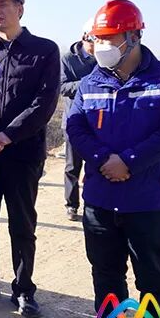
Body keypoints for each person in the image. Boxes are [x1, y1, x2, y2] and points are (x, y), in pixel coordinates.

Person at [67, 0, 160, 318]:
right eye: (98, 38)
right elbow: (76, 126)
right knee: (106, 272)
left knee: (154, 278)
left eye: (110, 37)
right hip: (101, 198)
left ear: (134, 36)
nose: (102, 45)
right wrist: (104, 159)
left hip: (148, 199)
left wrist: (129, 161)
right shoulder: (90, 82)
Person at [0, 0, 60, 318]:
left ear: (20, 8)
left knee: (22, 224)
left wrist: (8, 135)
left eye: (4, 5)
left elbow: (45, 102)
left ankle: (23, 289)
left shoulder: (44, 50)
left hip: (23, 152)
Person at [59, 18, 97, 221]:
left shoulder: (103, 58)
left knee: (97, 165)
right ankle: (71, 205)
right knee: (72, 166)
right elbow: (61, 87)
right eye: (95, 41)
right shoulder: (67, 59)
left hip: (99, 122)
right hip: (74, 121)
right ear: (84, 37)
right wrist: (86, 84)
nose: (98, 47)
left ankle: (93, 204)